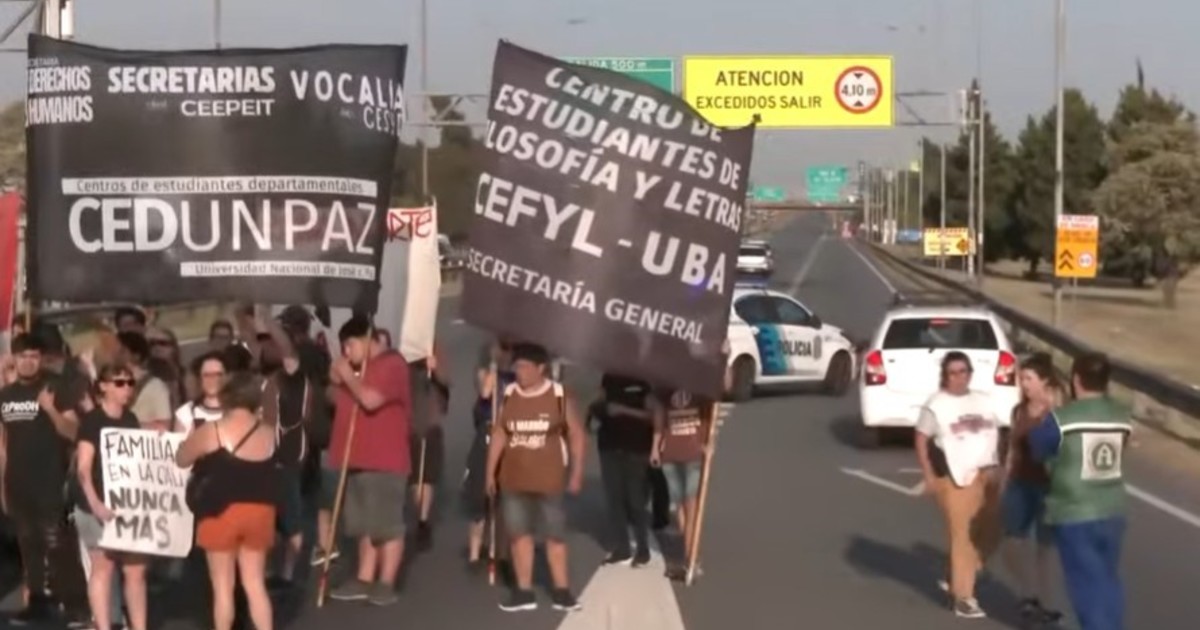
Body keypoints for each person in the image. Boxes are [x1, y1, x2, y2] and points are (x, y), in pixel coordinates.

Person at [1027, 353, 1132, 630]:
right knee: (1107, 580)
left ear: (1075, 380)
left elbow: (1037, 448)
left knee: (1086, 586)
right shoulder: (1121, 415)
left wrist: (1039, 419)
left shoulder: (1063, 418)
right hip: (1112, 509)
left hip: (1074, 510)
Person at [177, 372, 282, 630]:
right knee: (255, 584)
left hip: (220, 512)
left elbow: (181, 458)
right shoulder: (269, 432)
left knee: (223, 588)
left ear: (226, 397)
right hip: (261, 511)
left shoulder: (213, 431)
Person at [486, 342, 585, 613]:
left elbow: (576, 435)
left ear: (541, 368)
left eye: (525, 367)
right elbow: (500, 433)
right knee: (519, 536)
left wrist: (576, 472)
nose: (520, 372)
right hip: (513, 480)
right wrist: (490, 472)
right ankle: (524, 591)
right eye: (517, 367)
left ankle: (562, 591)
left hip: (549, 481)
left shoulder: (558, 395)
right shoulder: (509, 393)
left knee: (554, 537)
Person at [326, 315, 412, 606]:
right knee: (361, 525)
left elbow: (372, 400)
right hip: (355, 458)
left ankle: (386, 581)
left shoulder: (391, 364)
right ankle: (364, 577)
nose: (346, 352)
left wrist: (348, 377)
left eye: (349, 345)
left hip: (384, 459)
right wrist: (338, 376)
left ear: (367, 339)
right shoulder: (356, 368)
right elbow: (333, 396)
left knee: (385, 525)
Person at [914, 351, 1004, 619]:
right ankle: (963, 597)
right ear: (945, 375)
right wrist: (929, 475)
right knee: (963, 536)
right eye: (953, 373)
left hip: (987, 474)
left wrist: (999, 465)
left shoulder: (982, 400)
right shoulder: (937, 404)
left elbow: (996, 433)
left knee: (993, 531)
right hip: (955, 478)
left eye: (963, 371)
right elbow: (921, 440)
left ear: (970, 374)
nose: (958, 377)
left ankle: (957, 573)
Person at [0, 333, 75, 624]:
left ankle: (69, 604)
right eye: (23, 356)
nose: (28, 362)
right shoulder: (5, 395)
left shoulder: (55, 387)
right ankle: (36, 603)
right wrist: (3, 487)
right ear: (14, 359)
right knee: (28, 546)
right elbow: (2, 445)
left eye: (33, 356)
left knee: (55, 546)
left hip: (50, 481)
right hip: (17, 483)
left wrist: (51, 409)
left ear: (41, 359)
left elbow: (73, 431)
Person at [73, 363, 150, 630]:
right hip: (93, 505)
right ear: (104, 387)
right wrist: (96, 504)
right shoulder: (92, 421)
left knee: (135, 570)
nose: (126, 388)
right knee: (103, 568)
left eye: (130, 383)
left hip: (126, 505)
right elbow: (83, 468)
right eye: (119, 383)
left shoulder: (131, 419)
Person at [650, 341, 731, 580]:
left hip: (694, 452)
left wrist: (725, 358)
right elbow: (659, 416)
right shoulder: (665, 387)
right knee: (680, 506)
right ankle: (690, 555)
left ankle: (691, 558)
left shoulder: (700, 384)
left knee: (691, 504)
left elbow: (725, 386)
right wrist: (655, 448)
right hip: (670, 453)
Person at [1000, 352, 1064, 624]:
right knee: (1012, 543)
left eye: (1029, 378)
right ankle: (1028, 592)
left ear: (1044, 381)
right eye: (1021, 378)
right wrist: (1005, 482)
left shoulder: (1057, 414)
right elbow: (1012, 450)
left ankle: (1043, 602)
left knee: (1045, 548)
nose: (1024, 384)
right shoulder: (1019, 411)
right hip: (1020, 483)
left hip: (1049, 487)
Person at [463, 336, 515, 574]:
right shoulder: (486, 372)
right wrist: (493, 368)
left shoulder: (517, 378)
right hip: (486, 436)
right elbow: (485, 393)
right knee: (479, 498)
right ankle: (474, 554)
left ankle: (500, 552)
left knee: (505, 499)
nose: (504, 354)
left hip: (510, 438)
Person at [594, 372, 655, 567]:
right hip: (609, 446)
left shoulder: (644, 380)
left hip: (637, 448)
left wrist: (624, 411)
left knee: (636, 500)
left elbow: (653, 415)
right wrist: (601, 408)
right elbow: (600, 403)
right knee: (614, 499)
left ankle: (643, 549)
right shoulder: (609, 377)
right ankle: (622, 547)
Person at [408, 341, 449, 552]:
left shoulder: (435, 350)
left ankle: (423, 519)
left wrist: (435, 368)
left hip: (430, 423)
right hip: (409, 424)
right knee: (415, 479)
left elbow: (446, 381)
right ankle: (417, 514)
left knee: (427, 478)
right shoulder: (405, 355)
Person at [116, 332, 173, 431]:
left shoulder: (156, 386)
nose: (115, 355)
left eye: (122, 351)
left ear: (136, 356)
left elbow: (164, 426)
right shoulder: (111, 384)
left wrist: (128, 426)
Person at [175, 352, 229, 435]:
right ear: (199, 379)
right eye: (206, 375)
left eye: (218, 374)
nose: (212, 379)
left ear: (227, 377)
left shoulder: (240, 410)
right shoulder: (185, 413)